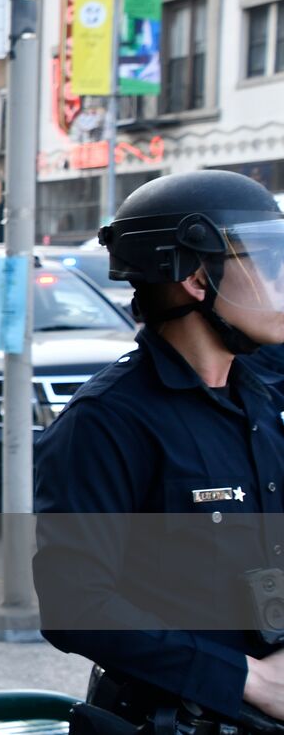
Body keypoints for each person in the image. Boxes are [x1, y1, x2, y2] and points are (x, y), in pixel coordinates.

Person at [35, 170, 284, 732]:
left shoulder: (260, 397)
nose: (281, 277)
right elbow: (76, 604)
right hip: (175, 720)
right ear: (199, 279)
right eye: (268, 261)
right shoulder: (107, 422)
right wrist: (251, 679)